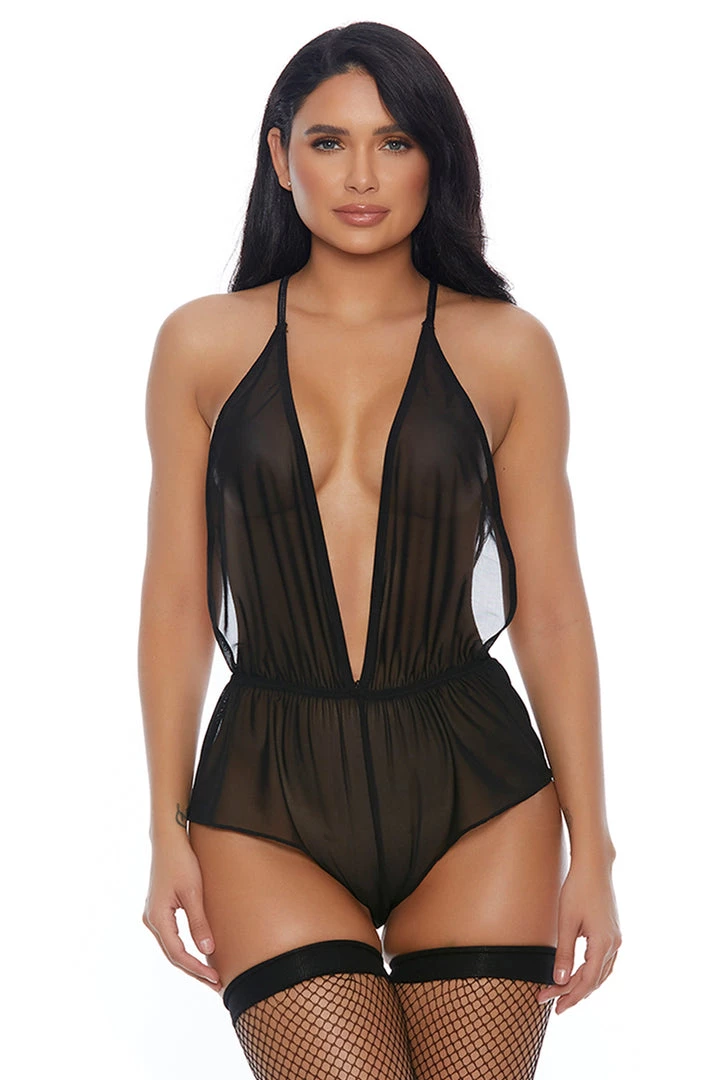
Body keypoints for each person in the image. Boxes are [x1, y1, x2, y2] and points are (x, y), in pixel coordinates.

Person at [139, 20, 621, 1080]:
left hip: (477, 793)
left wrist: (594, 848)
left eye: (395, 142)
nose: (361, 176)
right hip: (266, 792)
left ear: (434, 158)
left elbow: (549, 612)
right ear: (280, 157)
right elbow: (176, 603)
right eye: (329, 142)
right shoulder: (201, 345)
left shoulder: (507, 349)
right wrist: (165, 826)